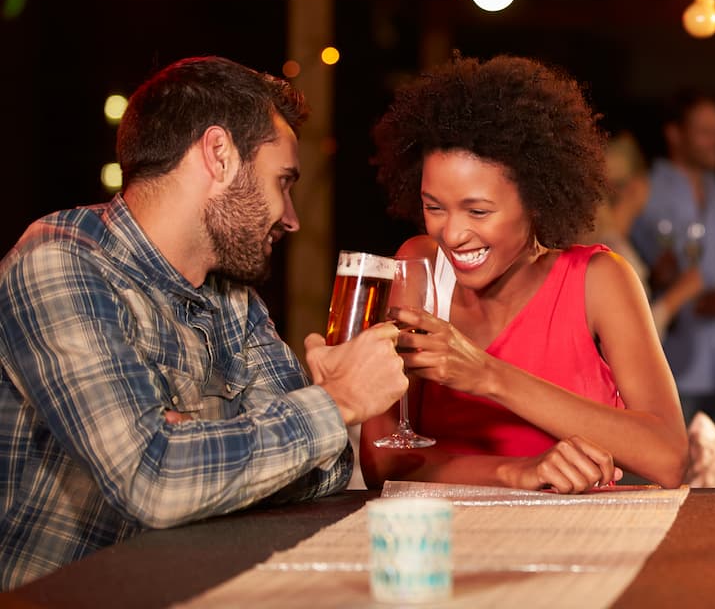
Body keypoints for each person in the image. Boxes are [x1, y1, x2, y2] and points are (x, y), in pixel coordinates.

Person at [0, 56, 410, 589]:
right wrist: (339, 402)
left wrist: (195, 445)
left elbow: (326, 467)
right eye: (282, 181)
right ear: (218, 154)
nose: (292, 216)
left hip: (189, 588)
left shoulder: (231, 296)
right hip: (64, 597)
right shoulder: (60, 261)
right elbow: (154, 482)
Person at [361, 54, 688, 493]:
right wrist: (517, 472)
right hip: (451, 539)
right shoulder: (421, 268)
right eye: (433, 207)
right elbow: (383, 461)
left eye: (478, 210)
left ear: (535, 200)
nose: (452, 234)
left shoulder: (598, 279)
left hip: (582, 546)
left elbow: (668, 458)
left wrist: (489, 376)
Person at [629, 89, 715, 422]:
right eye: (705, 131)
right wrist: (659, 280)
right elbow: (610, 258)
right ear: (675, 134)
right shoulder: (643, 189)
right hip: (673, 363)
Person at [587, 130, 705, 335]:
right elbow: (632, 339)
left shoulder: (597, 244)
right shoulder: (613, 254)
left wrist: (657, 281)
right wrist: (675, 298)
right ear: (637, 186)